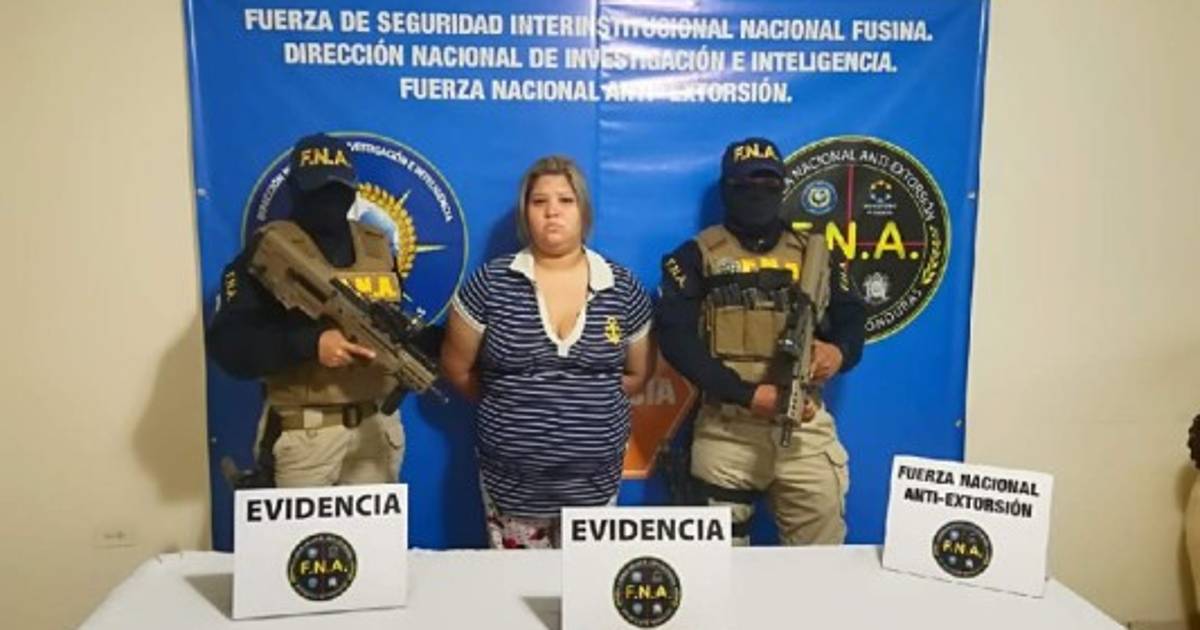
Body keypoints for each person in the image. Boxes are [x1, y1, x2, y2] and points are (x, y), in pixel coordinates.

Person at [656, 137, 866, 545]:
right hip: (726, 430)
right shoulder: (695, 257)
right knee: (716, 565)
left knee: (822, 562)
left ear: (782, 187)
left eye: (769, 184)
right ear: (726, 189)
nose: (758, 193)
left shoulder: (815, 254)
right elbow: (677, 340)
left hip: (804, 427)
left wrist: (838, 353)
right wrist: (748, 395)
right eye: (745, 184)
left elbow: (853, 317)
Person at [440, 155, 656, 549]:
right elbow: (457, 369)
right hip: (512, 489)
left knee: (589, 585)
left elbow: (638, 374)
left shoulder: (622, 287)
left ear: (583, 210)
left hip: (595, 488)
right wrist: (512, 406)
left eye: (565, 200)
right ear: (525, 212)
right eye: (539, 201)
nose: (552, 211)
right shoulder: (490, 284)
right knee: (520, 586)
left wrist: (583, 406)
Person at [208, 133, 405, 488]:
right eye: (317, 190)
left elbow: (396, 324)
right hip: (306, 433)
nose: (328, 201)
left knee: (378, 530)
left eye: (338, 190)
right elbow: (229, 344)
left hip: (375, 431)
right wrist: (309, 343)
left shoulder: (377, 249)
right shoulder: (269, 251)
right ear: (296, 190)